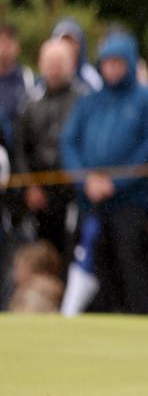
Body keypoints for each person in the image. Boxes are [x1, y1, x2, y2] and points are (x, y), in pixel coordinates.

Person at [59, 31, 148, 314]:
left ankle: (140, 326)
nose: (113, 68)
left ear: (130, 63)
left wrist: (115, 182)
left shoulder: (147, 101)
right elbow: (69, 142)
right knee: (96, 268)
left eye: (119, 62)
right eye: (107, 62)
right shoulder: (89, 101)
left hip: (132, 202)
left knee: (132, 266)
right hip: (91, 200)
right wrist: (86, 180)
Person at [13, 39, 87, 257]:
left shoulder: (83, 99)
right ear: (41, 64)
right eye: (50, 62)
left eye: (59, 62)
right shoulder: (30, 103)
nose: (54, 68)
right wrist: (30, 187)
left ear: (71, 64)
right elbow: (20, 149)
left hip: (74, 194)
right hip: (39, 194)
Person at [0, 22, 34, 143]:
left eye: (9, 42)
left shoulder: (27, 76)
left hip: (19, 143)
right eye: (2, 42)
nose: (5, 48)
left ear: (17, 46)